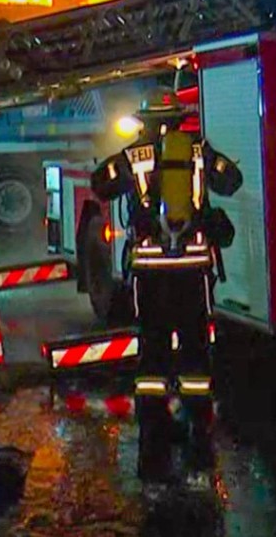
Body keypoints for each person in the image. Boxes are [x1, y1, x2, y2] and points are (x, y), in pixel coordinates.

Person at [93, 91, 241, 481]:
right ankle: (199, 436)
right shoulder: (198, 151)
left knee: (153, 351)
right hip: (194, 271)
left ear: (145, 121)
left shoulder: (134, 156)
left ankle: (152, 438)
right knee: (195, 349)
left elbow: (100, 184)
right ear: (178, 118)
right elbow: (232, 181)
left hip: (150, 274)